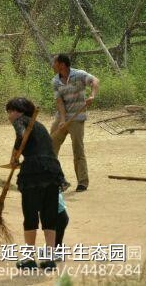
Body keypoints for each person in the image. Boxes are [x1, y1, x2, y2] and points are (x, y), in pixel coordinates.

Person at [6, 97, 65, 271]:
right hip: (52, 171)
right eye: (8, 112)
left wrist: (14, 158)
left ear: (21, 112)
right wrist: (16, 156)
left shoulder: (20, 121)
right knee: (49, 216)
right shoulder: (39, 126)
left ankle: (29, 258)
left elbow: (21, 136)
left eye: (11, 111)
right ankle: (49, 259)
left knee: (30, 216)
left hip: (34, 173)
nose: (9, 115)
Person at [50, 54, 99, 192]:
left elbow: (95, 81)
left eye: (54, 62)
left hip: (77, 119)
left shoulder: (79, 74)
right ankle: (58, 182)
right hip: (62, 118)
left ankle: (82, 182)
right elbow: (59, 102)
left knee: (78, 149)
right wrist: (63, 120)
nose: (52, 65)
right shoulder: (55, 81)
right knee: (50, 148)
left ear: (62, 65)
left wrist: (92, 95)